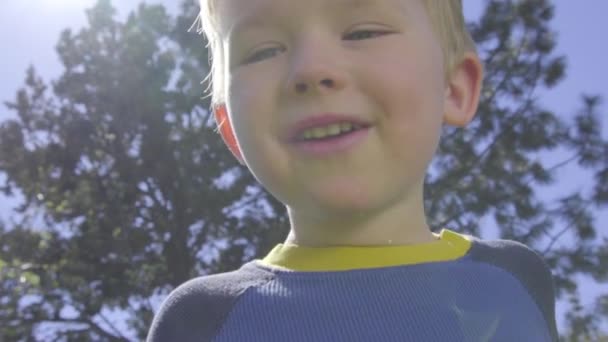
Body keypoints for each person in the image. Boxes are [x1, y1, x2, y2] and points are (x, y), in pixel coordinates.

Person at [147, 0, 558, 340]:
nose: (311, 69)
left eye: (362, 32)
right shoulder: (200, 321)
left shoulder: (517, 279)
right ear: (230, 129)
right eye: (262, 51)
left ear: (452, 87)